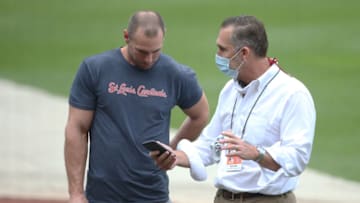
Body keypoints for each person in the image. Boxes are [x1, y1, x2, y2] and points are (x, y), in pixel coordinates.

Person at [152, 15, 316, 203]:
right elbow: (211, 144)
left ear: (244, 53)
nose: (217, 55)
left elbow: (297, 158)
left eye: (222, 49)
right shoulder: (231, 89)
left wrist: (257, 154)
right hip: (224, 198)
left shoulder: (292, 94)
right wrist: (175, 156)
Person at [64, 10, 209, 203]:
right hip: (102, 195)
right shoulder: (95, 69)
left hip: (152, 194)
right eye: (141, 51)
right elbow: (77, 128)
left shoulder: (177, 75)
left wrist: (170, 151)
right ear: (126, 36)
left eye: (155, 52)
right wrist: (76, 193)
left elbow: (200, 115)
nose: (148, 59)